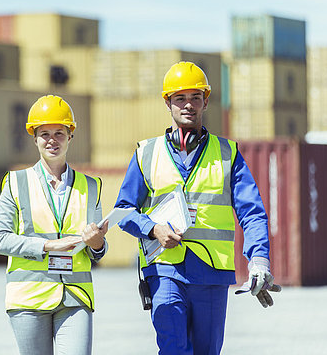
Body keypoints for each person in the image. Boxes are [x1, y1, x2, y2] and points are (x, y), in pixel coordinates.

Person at [114, 62, 281, 355]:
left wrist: (259, 261)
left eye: (195, 97)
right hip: (164, 270)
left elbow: (251, 212)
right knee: (173, 348)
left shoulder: (228, 154)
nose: (188, 105)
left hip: (211, 275)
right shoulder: (146, 153)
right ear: (167, 103)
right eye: (180, 98)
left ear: (206, 100)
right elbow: (123, 211)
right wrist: (153, 228)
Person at [0, 94, 109, 355]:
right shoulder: (15, 183)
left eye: (59, 132)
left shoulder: (90, 186)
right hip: (28, 298)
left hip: (76, 296)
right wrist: (47, 245)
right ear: (34, 138)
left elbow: (97, 251)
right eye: (45, 134)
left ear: (71, 136)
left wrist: (97, 244)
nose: (52, 140)